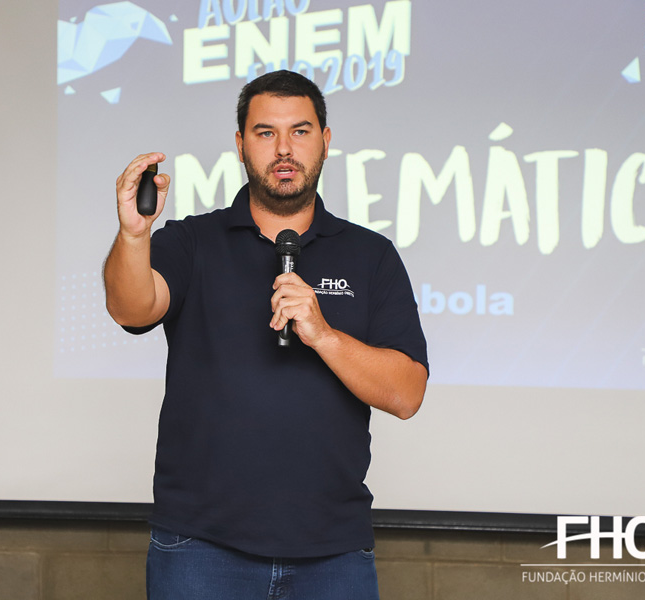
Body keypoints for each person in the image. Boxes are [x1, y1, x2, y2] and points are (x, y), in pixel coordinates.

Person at [104, 70, 428, 599]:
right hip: (200, 546)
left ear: (325, 140)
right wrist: (134, 236)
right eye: (265, 133)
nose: (283, 149)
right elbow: (131, 308)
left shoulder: (371, 255)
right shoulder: (192, 240)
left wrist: (323, 335)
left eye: (300, 131)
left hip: (333, 551)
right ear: (240, 144)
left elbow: (407, 394)